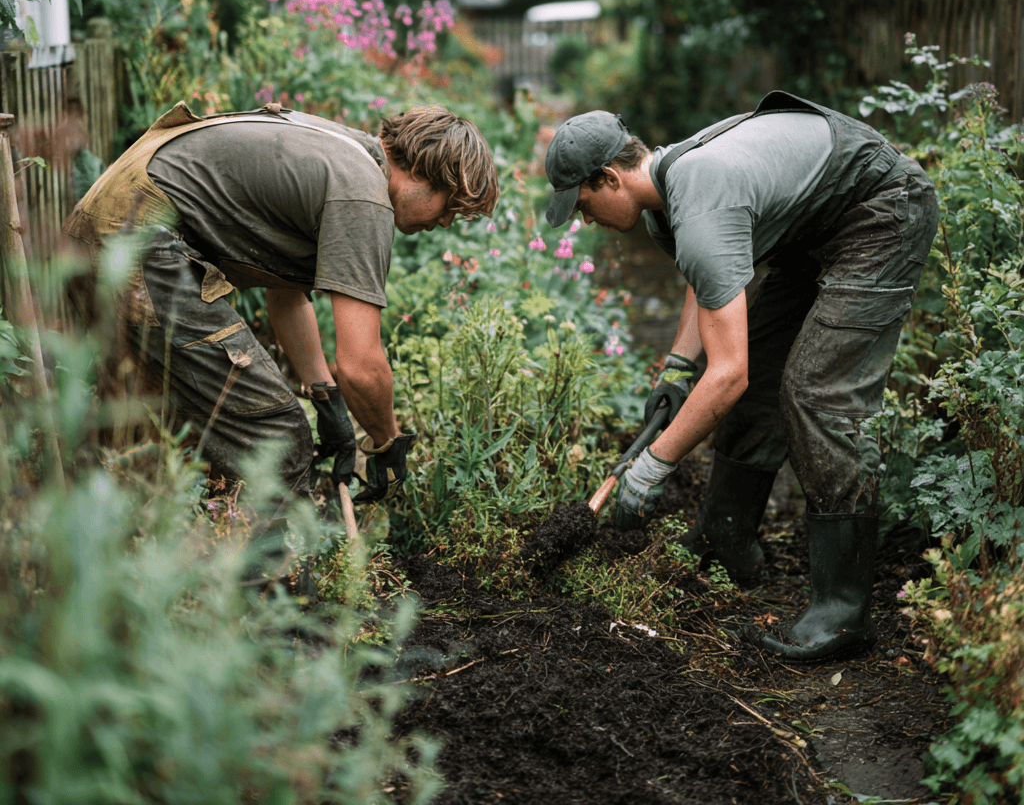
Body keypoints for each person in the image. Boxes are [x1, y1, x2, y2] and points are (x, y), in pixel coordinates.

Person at [544, 91, 937, 661]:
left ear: (608, 177)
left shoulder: (700, 198)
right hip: (813, 231)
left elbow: (727, 375)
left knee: (816, 394)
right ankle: (727, 539)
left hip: (880, 209)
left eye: (582, 205)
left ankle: (842, 610)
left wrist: (651, 467)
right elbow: (709, 280)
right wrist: (680, 366)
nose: (586, 221)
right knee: (761, 389)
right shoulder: (666, 198)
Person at [65, 99, 498, 509]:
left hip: (103, 233)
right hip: (138, 244)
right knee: (275, 432)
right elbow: (361, 365)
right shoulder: (364, 195)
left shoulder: (345, 154)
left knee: (172, 427)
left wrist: (325, 397)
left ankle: (202, 552)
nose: (444, 223)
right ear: (424, 170)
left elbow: (285, 294)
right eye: (449, 208)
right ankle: (273, 581)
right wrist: (387, 442)